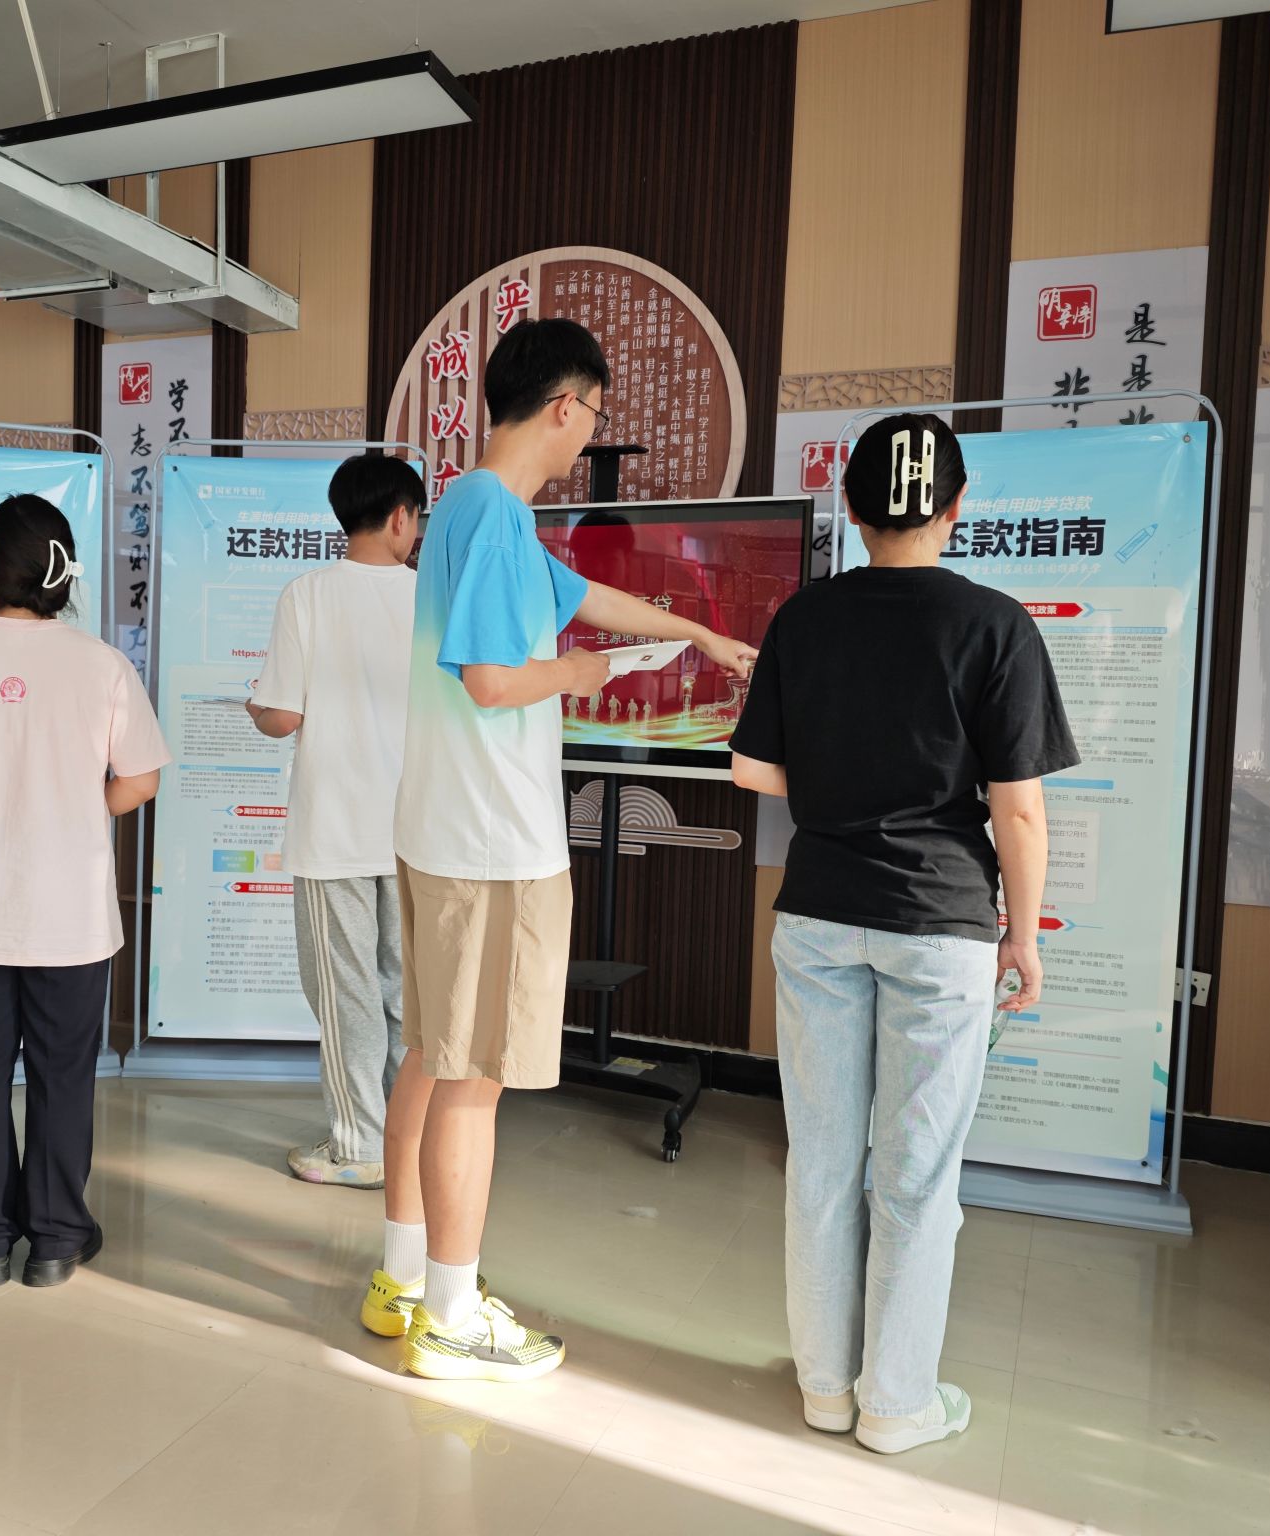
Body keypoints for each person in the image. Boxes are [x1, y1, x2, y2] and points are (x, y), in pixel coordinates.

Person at [373, 318, 754, 1381]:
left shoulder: (467, 504)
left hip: (440, 832)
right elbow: (494, 681)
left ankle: (402, 1279)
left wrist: (692, 632)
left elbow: (576, 596)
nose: (590, 431)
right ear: (563, 407)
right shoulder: (494, 515)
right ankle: (452, 1313)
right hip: (494, 846)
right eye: (593, 412)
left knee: (432, 1055)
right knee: (474, 1081)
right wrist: (581, 677)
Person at [729, 413, 1077, 1454]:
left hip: (819, 914)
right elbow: (1017, 810)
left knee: (822, 1161)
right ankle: (894, 1404)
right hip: (941, 922)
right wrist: (1022, 936)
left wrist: (844, 785)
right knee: (917, 1174)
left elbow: (752, 772)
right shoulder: (995, 625)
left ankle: (824, 1387)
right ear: (956, 506)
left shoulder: (804, 617)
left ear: (850, 507)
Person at [0, 494, 169, 1289]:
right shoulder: (102, 664)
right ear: (62, 575)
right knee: (62, 1074)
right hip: (69, 912)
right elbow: (140, 780)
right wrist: (75, 801)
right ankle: (53, 1240)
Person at [246, 453, 424, 1188]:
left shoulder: (308, 594)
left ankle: (360, 1147)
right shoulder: (431, 597)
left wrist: (256, 706)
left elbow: (282, 715)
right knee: (406, 991)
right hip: (418, 829)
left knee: (344, 990)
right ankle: (409, 1138)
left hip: (334, 829)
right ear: (400, 517)